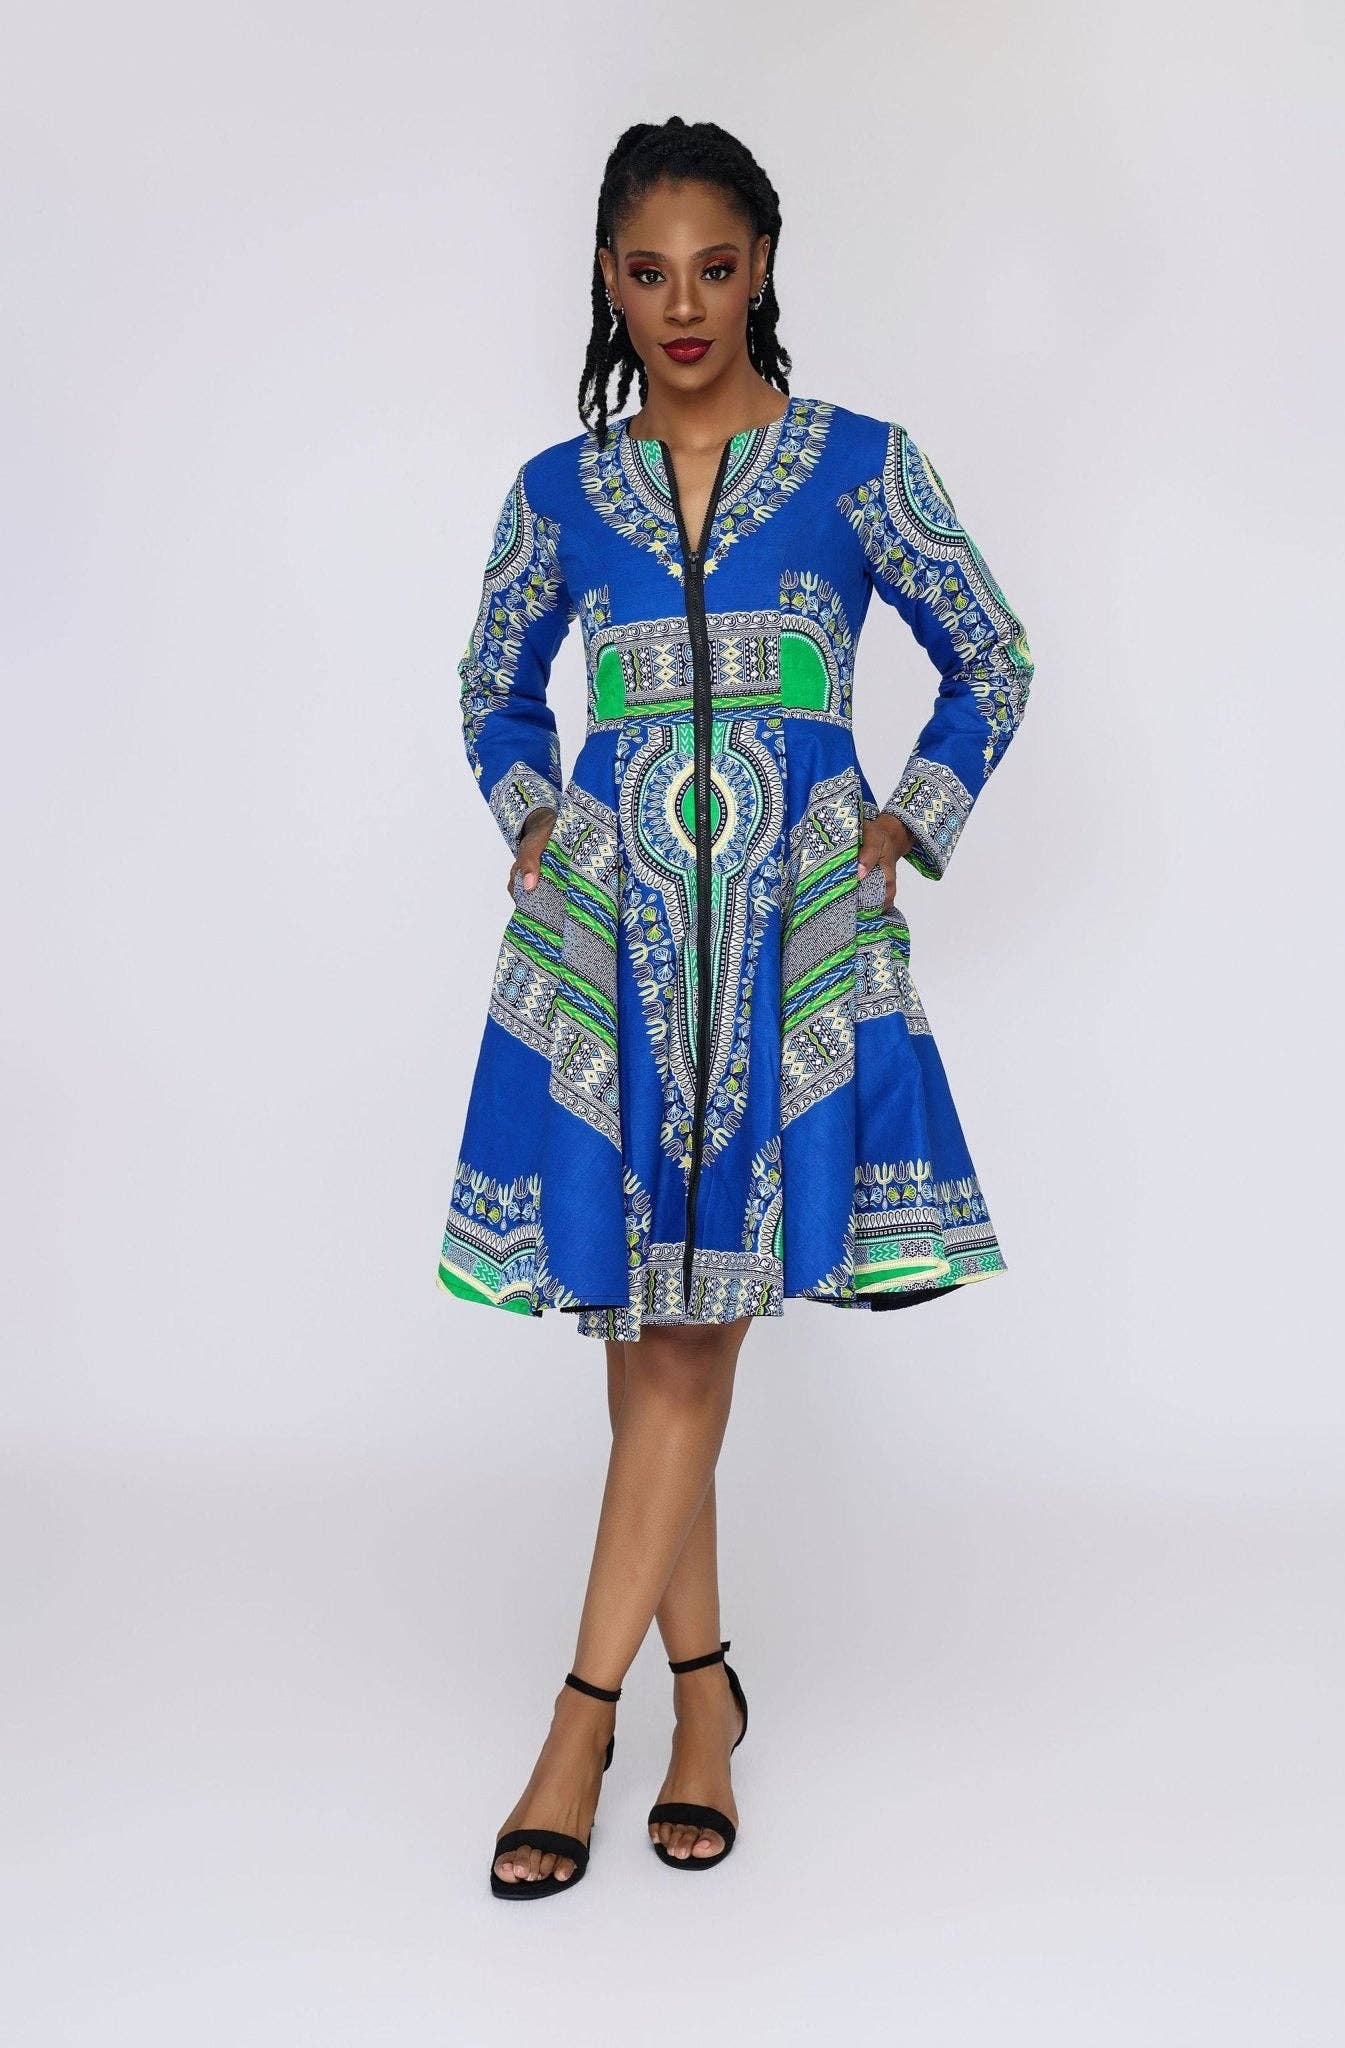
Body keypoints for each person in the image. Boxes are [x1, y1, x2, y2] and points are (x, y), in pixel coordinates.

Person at [435, 117, 1035, 1898]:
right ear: (607, 281)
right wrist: (530, 813)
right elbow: (491, 686)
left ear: (761, 262)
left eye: (712, 267)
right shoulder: (558, 492)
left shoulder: (861, 468)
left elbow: (991, 652)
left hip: (787, 948)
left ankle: (578, 1721)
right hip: (612, 953)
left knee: (686, 1351)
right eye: (647, 272)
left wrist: (905, 820)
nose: (682, 305)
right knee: (651, 1346)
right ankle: (704, 1700)